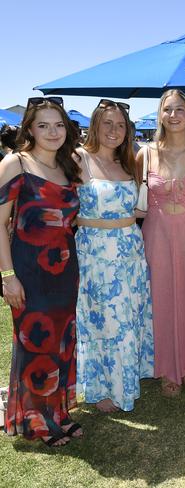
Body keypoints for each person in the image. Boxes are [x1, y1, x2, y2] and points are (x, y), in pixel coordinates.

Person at [0, 97, 82, 446]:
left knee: (62, 343)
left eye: (59, 124)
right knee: (36, 344)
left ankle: (58, 412)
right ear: (29, 129)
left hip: (65, 269)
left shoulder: (68, 166)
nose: (52, 131)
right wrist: (7, 276)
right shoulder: (15, 163)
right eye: (44, 125)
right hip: (28, 270)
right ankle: (37, 422)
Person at [75, 99, 154, 413]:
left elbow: (134, 208)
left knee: (126, 321)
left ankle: (124, 380)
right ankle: (102, 387)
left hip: (130, 252)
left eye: (120, 125)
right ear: (95, 125)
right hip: (96, 254)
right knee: (101, 323)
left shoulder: (129, 161)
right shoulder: (78, 158)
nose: (114, 130)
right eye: (107, 123)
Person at [138, 89, 185, 396]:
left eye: (179, 109)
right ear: (160, 114)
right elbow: (134, 196)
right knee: (162, 296)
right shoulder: (146, 153)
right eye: (167, 109)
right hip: (156, 235)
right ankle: (167, 367)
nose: (173, 115)